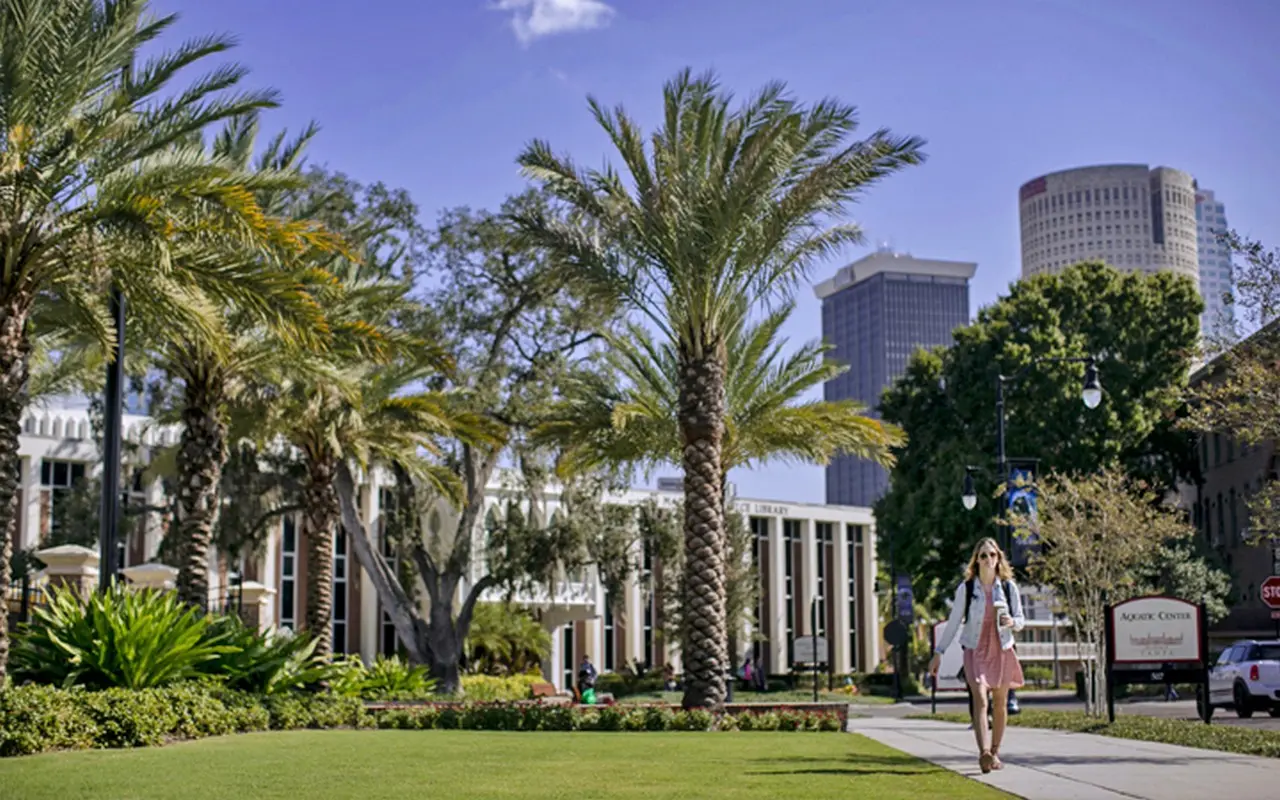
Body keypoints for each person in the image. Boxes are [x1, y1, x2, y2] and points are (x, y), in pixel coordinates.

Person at [929, 537, 1026, 774]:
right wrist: (938, 653)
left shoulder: (1008, 587)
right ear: (977, 560)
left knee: (1000, 703)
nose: (988, 559)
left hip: (1002, 648)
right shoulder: (967, 588)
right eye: (983, 555)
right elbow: (953, 623)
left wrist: (1012, 622)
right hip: (975, 649)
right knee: (981, 699)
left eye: (992, 555)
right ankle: (983, 752)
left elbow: (1021, 620)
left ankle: (995, 752)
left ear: (998, 558)